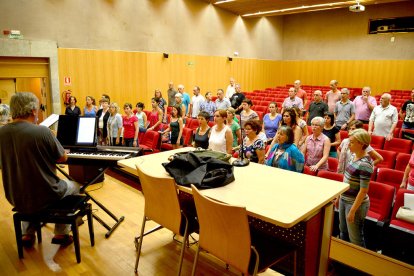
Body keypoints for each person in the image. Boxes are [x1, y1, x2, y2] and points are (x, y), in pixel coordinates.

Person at [0, 92, 79, 247]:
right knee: (75, 186)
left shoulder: (1, 133)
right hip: (47, 194)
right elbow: (62, 158)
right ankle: (61, 233)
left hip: (14, 195)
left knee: (28, 188)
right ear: (33, 110)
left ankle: (27, 234)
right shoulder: (42, 131)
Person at [338, 129, 373, 247]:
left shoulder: (365, 164)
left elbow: (363, 191)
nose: (348, 144)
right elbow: (346, 179)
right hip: (344, 199)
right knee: (343, 232)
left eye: (352, 142)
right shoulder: (353, 156)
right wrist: (339, 196)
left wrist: (352, 211)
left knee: (355, 239)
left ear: (361, 144)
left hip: (355, 205)